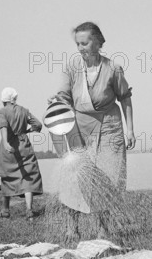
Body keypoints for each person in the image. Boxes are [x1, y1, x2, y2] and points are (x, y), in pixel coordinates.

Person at [48, 22, 135, 240]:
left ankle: (103, 229)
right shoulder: (72, 68)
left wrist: (130, 130)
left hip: (109, 127)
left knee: (108, 178)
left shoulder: (113, 69)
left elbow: (125, 98)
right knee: (74, 176)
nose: (80, 47)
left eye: (84, 43)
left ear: (97, 42)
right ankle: (72, 228)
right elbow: (64, 96)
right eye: (77, 43)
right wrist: (56, 101)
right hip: (79, 128)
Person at [0, 87, 43, 220]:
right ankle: (29, 210)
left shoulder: (3, 111)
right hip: (24, 145)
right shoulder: (24, 110)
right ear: (14, 99)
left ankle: (5, 210)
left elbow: (3, 126)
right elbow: (38, 125)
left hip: (9, 147)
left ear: (4, 100)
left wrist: (6, 143)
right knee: (27, 176)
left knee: (7, 176)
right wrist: (27, 131)